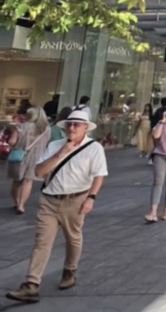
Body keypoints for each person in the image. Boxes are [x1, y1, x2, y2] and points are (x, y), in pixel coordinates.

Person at [5, 110, 106, 303]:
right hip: (49, 199)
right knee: (42, 242)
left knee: (73, 237)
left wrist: (91, 197)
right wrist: (61, 153)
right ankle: (32, 284)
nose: (72, 127)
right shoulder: (54, 145)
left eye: (77, 124)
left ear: (85, 127)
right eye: (69, 124)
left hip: (75, 199)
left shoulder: (95, 148)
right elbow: (39, 171)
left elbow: (99, 175)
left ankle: (69, 270)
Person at [8, 107, 51, 215]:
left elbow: (12, 141)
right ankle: (21, 205)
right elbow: (47, 142)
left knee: (17, 181)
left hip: (19, 157)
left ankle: (16, 202)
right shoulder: (46, 129)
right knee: (28, 181)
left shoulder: (20, 127)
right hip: (37, 157)